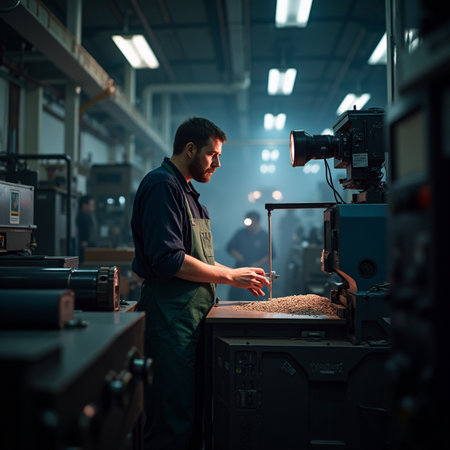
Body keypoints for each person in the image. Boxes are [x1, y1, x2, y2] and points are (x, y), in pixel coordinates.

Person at [130, 117, 269, 450]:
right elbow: (170, 259)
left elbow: (202, 262)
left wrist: (239, 273)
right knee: (172, 422)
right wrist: (229, 275)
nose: (217, 163)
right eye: (212, 155)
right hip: (171, 323)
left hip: (191, 322)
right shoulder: (163, 186)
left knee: (192, 419)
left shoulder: (191, 196)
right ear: (190, 149)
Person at [226, 210, 274, 301]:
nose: (250, 226)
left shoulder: (265, 236)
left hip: (258, 272)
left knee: (259, 297)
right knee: (236, 297)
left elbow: (271, 254)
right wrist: (239, 256)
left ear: (258, 222)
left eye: (253, 223)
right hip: (240, 269)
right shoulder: (240, 233)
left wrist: (258, 264)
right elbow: (230, 247)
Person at [76, 194, 98, 263]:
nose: (93, 207)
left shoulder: (90, 216)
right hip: (83, 248)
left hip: (90, 245)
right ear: (84, 205)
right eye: (91, 205)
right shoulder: (80, 217)